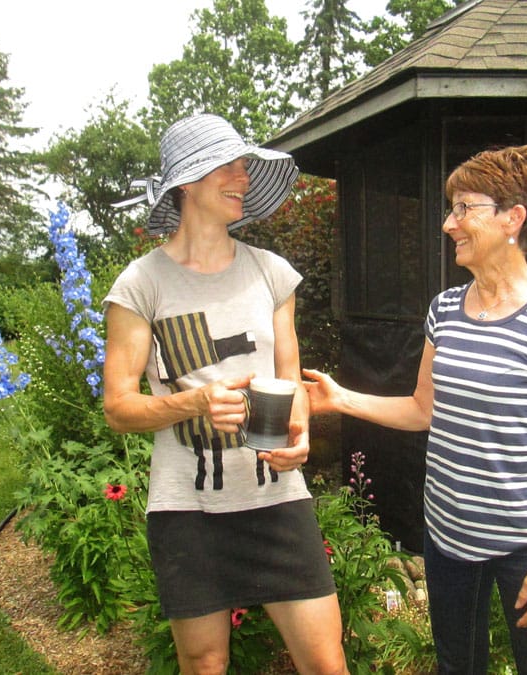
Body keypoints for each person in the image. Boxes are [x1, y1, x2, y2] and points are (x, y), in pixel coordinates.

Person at [304, 144, 527, 674]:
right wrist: (340, 398)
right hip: (448, 536)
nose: (448, 224)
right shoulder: (444, 311)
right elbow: (423, 410)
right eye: (451, 208)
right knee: (456, 667)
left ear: (513, 218)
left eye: (464, 208)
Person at [103, 113, 348, 675]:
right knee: (205, 662)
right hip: (187, 508)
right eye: (229, 166)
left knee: (326, 661)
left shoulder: (271, 273)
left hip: (276, 498)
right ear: (186, 183)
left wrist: (300, 433)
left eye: (245, 166)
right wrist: (193, 402)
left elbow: (290, 379)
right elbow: (118, 407)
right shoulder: (140, 284)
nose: (243, 176)